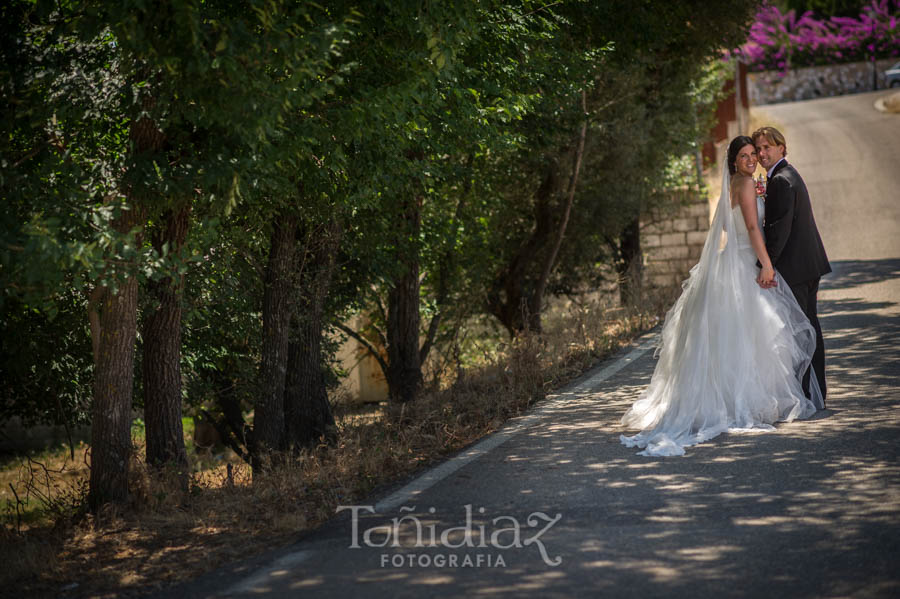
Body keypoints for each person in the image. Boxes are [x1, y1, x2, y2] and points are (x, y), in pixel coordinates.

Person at [620, 135, 821, 457]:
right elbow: (754, 230)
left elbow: (729, 227)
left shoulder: (738, 184)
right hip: (745, 261)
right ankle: (747, 401)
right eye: (744, 156)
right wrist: (767, 264)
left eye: (754, 154)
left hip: (733, 258)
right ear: (733, 161)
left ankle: (736, 397)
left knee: (742, 334)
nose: (751, 159)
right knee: (758, 332)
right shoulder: (743, 184)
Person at [752, 126, 831, 405]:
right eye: (758, 148)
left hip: (797, 269)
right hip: (809, 265)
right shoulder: (786, 175)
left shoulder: (781, 181)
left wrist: (765, 264)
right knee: (810, 326)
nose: (762, 153)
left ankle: (808, 392)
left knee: (801, 330)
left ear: (781, 148)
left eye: (767, 148)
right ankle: (816, 391)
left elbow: (779, 231)